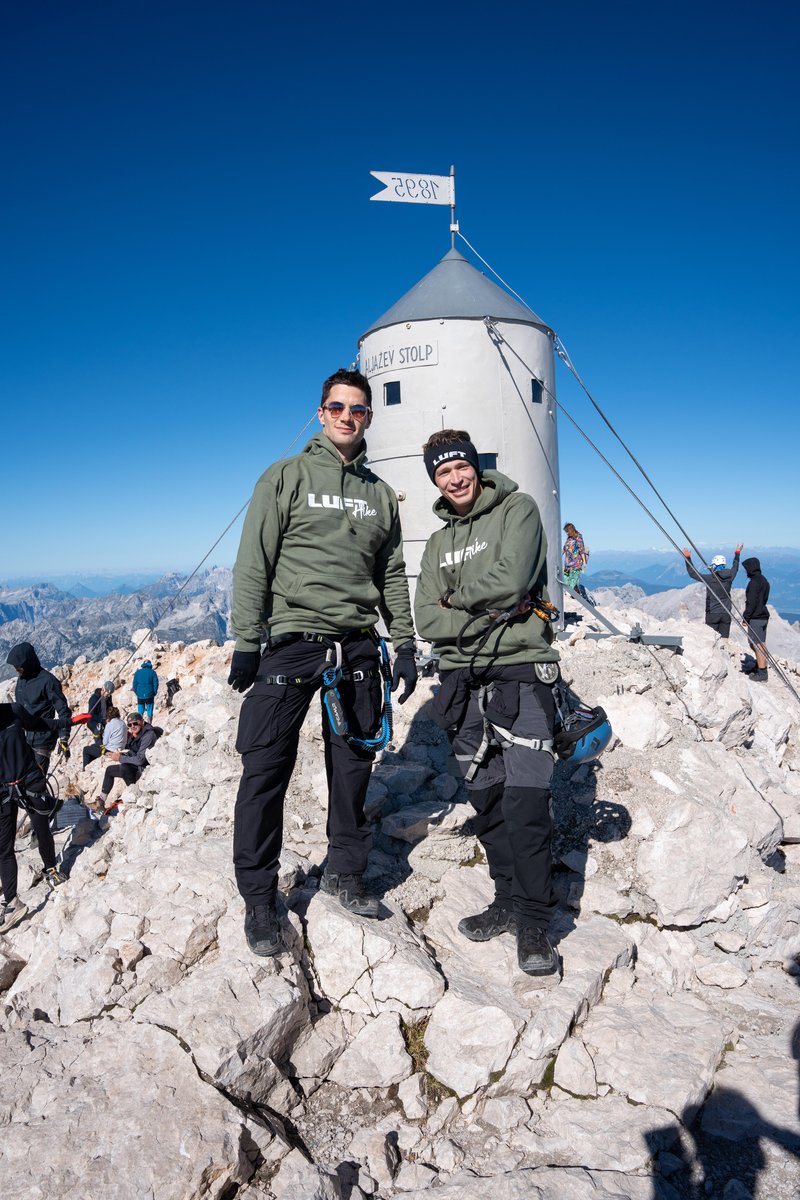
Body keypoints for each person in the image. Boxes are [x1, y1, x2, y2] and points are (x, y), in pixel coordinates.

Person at [228, 367, 417, 958]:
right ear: (320, 412)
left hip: (358, 642)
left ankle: (345, 872)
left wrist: (405, 640)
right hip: (293, 642)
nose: (347, 416)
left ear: (368, 417)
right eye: (337, 407)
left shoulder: (381, 495)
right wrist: (245, 640)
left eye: (358, 409)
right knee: (265, 770)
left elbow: (389, 573)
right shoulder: (285, 476)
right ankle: (260, 899)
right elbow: (254, 559)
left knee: (354, 765)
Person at [414, 429, 561, 979]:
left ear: (476, 466)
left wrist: (459, 600)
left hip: (521, 669)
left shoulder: (519, 509)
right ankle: (506, 897)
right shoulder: (435, 543)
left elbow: (514, 579)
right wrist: (488, 606)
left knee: (527, 800)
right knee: (487, 797)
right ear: (434, 479)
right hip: (460, 681)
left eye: (460, 467)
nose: (454, 479)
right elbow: (427, 617)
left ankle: (534, 922)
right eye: (442, 473)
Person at [0, 703, 67, 932]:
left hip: (30, 782)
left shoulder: (13, 711)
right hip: (3, 792)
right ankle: (12, 903)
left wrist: (68, 723)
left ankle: (51, 868)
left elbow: (40, 724)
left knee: (41, 828)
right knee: (4, 848)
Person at [5, 643, 72, 775]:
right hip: (23, 738)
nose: (16, 668)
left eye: (19, 665)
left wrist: (64, 737)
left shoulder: (48, 681)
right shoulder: (21, 680)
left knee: (36, 780)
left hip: (42, 740)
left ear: (29, 662)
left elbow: (63, 710)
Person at [89, 712, 159, 813]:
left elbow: (140, 759)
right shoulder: (137, 734)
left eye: (135, 723)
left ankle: (134, 796)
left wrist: (120, 758)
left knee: (124, 768)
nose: (133, 726)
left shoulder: (148, 734)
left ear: (142, 721)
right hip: (137, 766)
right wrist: (122, 755)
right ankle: (100, 802)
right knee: (110, 770)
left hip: (145, 770)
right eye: (130, 725)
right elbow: (134, 752)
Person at [682, 544, 743, 639]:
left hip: (713, 613)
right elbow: (735, 566)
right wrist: (737, 553)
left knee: (711, 639)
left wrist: (688, 559)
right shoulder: (730, 576)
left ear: (714, 565)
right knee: (724, 640)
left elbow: (692, 573)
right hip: (726, 613)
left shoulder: (710, 578)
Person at [742, 557, 770, 682]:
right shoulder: (764, 580)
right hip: (763, 616)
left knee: (756, 644)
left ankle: (762, 673)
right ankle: (761, 665)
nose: (745, 571)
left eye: (746, 569)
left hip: (755, 617)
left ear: (750, 568)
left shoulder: (753, 582)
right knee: (761, 642)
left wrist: (746, 617)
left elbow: (751, 602)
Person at [82, 704, 127, 769]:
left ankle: (85, 769)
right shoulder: (123, 723)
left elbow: (104, 742)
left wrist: (99, 734)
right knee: (93, 747)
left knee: (86, 749)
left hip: (110, 750)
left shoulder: (110, 724)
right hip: (121, 748)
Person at [562, 523, 591, 601]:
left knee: (574, 579)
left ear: (571, 530)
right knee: (566, 578)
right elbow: (565, 548)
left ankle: (574, 594)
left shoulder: (578, 537)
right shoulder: (569, 538)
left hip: (576, 562)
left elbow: (581, 550)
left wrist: (584, 562)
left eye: (567, 531)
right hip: (568, 562)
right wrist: (560, 555)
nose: (566, 533)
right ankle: (572, 593)